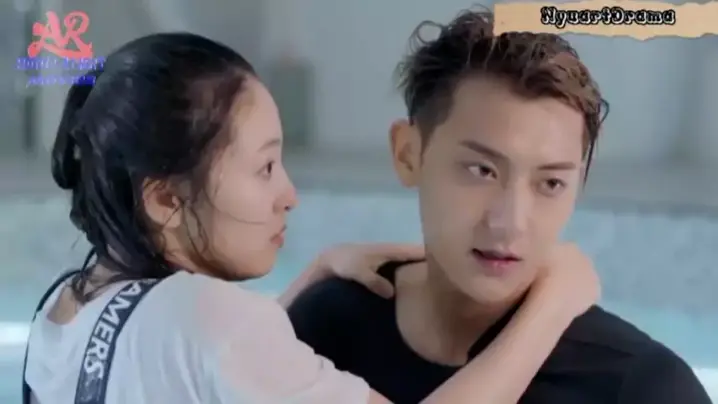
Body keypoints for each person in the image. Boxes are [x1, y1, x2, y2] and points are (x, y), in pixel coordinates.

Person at [22, 32, 599, 404]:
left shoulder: (63, 309)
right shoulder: (208, 318)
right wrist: (553, 304)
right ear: (165, 200)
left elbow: (202, 367)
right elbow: (218, 342)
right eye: (265, 168)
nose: (289, 195)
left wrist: (315, 272)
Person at [287, 10, 713, 404]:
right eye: (481, 170)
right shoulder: (326, 327)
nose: (509, 222)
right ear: (408, 154)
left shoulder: (644, 387)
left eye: (551, 183)